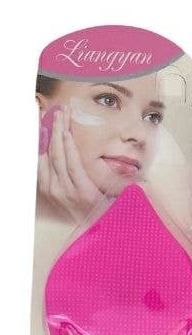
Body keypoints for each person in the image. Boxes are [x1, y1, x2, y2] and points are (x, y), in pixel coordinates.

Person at [36, 73, 165, 223]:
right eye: (108, 101)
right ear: (38, 111)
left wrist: (98, 219)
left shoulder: (168, 220)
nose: (140, 135)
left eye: (153, 117)